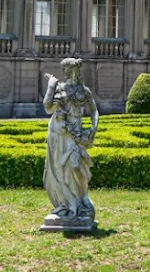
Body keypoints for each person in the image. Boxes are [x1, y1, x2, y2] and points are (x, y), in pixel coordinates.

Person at [42, 58, 99, 224]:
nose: (64, 72)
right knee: (59, 169)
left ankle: (83, 199)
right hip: (59, 132)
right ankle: (67, 204)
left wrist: (93, 130)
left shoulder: (84, 91)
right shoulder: (59, 88)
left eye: (65, 69)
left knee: (76, 166)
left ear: (72, 70)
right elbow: (48, 108)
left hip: (76, 133)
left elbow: (94, 111)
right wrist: (51, 85)